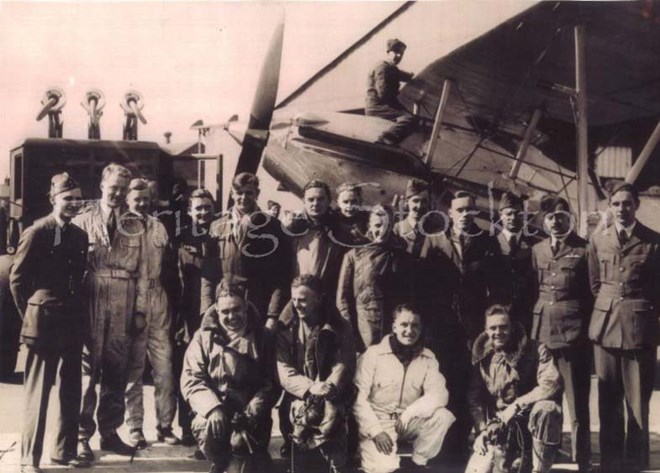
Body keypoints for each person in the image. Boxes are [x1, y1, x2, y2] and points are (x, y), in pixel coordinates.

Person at [10, 173, 89, 473]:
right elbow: (17, 280)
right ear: (52, 199)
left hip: (71, 322)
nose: (73, 203)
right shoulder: (37, 231)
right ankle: (29, 458)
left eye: (77, 198)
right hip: (43, 324)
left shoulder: (79, 236)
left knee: (71, 389)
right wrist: (30, 314)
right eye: (67, 198)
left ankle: (64, 451)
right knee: (38, 393)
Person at [587, 182, 660, 473]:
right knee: (608, 402)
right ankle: (610, 462)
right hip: (605, 329)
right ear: (610, 206)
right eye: (615, 204)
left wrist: (639, 311)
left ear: (636, 206)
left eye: (626, 203)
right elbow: (595, 284)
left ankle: (635, 464)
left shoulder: (653, 242)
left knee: (638, 404)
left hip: (639, 330)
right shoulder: (599, 240)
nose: (621, 209)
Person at [73, 163, 143, 459]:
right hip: (92, 295)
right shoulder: (81, 220)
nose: (118, 193)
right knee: (88, 370)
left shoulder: (134, 223)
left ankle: (110, 432)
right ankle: (80, 435)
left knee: (117, 367)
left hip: (124, 299)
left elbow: (143, 269)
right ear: (102, 185)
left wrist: (138, 309)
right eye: (113, 187)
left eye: (123, 190)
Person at [181, 282, 280, 473]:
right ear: (216, 309)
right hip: (218, 415)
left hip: (251, 416)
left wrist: (251, 411)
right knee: (205, 424)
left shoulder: (263, 337)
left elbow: (272, 383)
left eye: (237, 309)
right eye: (225, 311)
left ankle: (245, 458)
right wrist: (212, 408)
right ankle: (218, 460)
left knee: (245, 463)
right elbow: (192, 379)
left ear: (245, 306)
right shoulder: (202, 338)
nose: (232, 316)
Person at [353, 304, 455, 473]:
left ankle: (417, 463)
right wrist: (375, 431)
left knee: (443, 416)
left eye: (415, 325)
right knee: (384, 469)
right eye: (404, 325)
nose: (409, 331)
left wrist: (410, 412)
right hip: (380, 421)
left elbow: (439, 394)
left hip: (407, 421)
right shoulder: (373, 355)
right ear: (394, 327)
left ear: (421, 328)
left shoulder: (427, 358)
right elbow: (358, 400)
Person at [531, 195, 592, 472]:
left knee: (577, 403)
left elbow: (591, 293)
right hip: (544, 332)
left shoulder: (584, 249)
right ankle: (547, 455)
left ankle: (583, 460)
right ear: (544, 222)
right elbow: (537, 289)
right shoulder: (538, 250)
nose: (556, 222)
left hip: (573, 334)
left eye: (561, 217)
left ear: (571, 219)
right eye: (551, 218)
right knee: (546, 400)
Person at [466, 305, 563, 473]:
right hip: (499, 428)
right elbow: (474, 398)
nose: (498, 332)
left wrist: (517, 405)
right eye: (493, 328)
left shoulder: (537, 350)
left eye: (503, 327)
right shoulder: (482, 358)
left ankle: (540, 469)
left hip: (530, 424)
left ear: (512, 327)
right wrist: (481, 430)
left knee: (547, 409)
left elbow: (551, 383)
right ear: (486, 330)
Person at [276, 274, 356, 473]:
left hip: (332, 393)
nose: (297, 305)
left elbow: (344, 363)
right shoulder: (285, 329)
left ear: (319, 298)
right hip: (301, 393)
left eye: (303, 300)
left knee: (333, 420)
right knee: (301, 421)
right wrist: (311, 387)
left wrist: (328, 388)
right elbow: (283, 369)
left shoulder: (340, 326)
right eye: (294, 299)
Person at [124, 178, 179, 449]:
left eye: (145, 199)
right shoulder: (122, 229)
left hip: (160, 301)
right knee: (134, 369)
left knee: (165, 368)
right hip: (134, 299)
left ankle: (165, 425)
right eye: (137, 199)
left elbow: (169, 268)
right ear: (127, 200)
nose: (142, 203)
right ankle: (135, 427)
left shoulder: (160, 227)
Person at [201, 172, 290, 331]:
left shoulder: (273, 227)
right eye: (239, 192)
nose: (243, 197)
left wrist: (272, 315)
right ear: (231, 193)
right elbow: (208, 274)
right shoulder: (217, 225)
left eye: (249, 192)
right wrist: (208, 310)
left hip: (257, 305)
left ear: (257, 194)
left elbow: (280, 277)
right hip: (226, 308)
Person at [337, 204, 412, 351]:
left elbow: (409, 297)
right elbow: (343, 299)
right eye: (378, 225)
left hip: (395, 331)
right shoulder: (354, 256)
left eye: (387, 225)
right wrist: (349, 332)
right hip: (364, 332)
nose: (382, 231)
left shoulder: (402, 256)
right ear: (369, 225)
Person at [173, 188, 215, 446]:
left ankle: (213, 426)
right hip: (187, 315)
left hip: (215, 313)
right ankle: (187, 428)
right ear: (190, 211)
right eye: (198, 208)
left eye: (207, 207)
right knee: (187, 369)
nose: (203, 212)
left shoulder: (222, 236)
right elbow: (173, 280)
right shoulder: (180, 240)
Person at [285, 180, 345, 300]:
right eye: (311, 199)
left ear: (329, 201)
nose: (315, 203)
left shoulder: (340, 231)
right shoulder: (291, 230)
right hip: (296, 296)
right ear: (303, 201)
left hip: (327, 297)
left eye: (320, 199)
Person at [493, 192, 535, 332]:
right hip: (498, 314)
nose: (513, 217)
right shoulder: (490, 244)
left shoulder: (534, 245)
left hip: (526, 314)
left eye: (518, 213)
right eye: (508, 213)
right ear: (500, 214)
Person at [366, 38, 416, 145]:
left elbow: (403, 75)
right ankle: (385, 140)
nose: (398, 56)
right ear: (388, 53)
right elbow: (383, 93)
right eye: (396, 52)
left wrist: (411, 76)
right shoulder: (382, 67)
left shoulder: (391, 68)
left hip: (383, 104)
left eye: (401, 54)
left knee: (412, 118)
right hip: (377, 106)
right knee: (408, 118)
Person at [331, 182, 368, 248]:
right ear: (338, 203)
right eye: (345, 202)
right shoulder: (330, 222)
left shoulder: (370, 221)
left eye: (354, 202)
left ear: (360, 202)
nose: (350, 206)